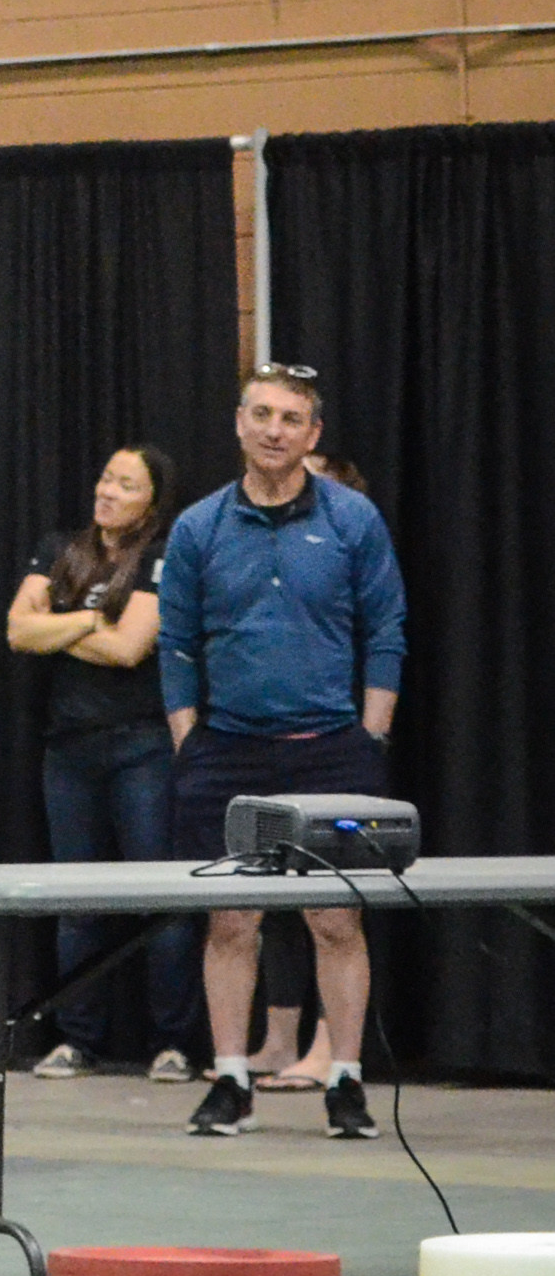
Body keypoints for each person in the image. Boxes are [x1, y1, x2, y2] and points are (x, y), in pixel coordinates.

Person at [156, 366, 405, 1141]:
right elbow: (175, 644)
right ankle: (231, 1079)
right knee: (230, 921)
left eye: (289, 418)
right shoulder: (198, 526)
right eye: (260, 414)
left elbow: (386, 630)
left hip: (332, 754)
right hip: (226, 754)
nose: (273, 429)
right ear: (236, 423)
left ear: (312, 434)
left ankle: (345, 1080)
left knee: (335, 921)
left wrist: (369, 736)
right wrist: (187, 741)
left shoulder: (352, 518)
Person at [6, 444, 180, 1078]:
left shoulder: (162, 555)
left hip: (141, 747)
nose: (106, 490)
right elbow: (17, 631)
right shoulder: (62, 546)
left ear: (151, 502)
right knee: (77, 899)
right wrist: (89, 619)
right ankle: (77, 1036)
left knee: (156, 897)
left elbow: (132, 648)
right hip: (69, 750)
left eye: (125, 484)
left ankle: (173, 1040)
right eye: (105, 477)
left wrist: (59, 621)